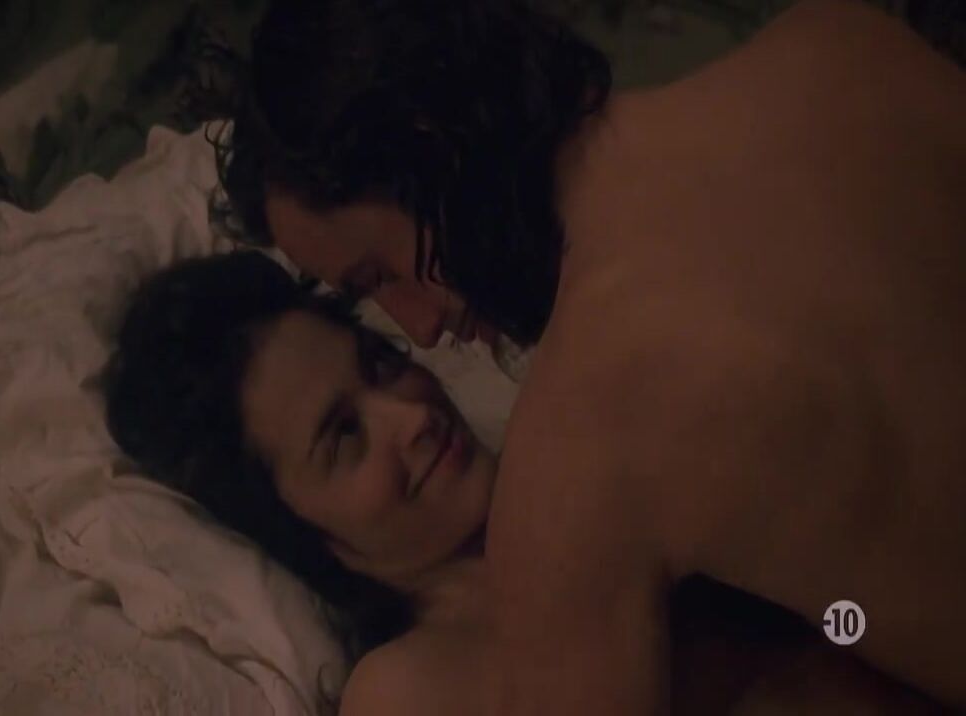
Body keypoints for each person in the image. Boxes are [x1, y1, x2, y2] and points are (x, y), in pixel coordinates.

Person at [211, 0, 966, 712]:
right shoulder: (836, 42)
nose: (424, 327)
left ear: (427, 144)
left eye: (379, 275)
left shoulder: (579, 460)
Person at [103, 251, 950, 715]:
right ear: (305, 532)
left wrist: (845, 604)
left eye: (382, 364)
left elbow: (843, 615)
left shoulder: (596, 476)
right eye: (345, 437)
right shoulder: (410, 691)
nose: (411, 415)